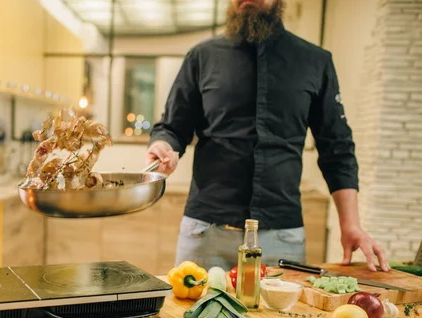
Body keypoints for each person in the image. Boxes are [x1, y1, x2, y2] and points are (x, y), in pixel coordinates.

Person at [146, 0, 389, 273]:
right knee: (190, 316)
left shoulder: (316, 62)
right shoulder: (201, 57)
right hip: (206, 235)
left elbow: (337, 149)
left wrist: (350, 224)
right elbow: (172, 127)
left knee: (282, 317)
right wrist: (162, 145)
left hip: (281, 238)